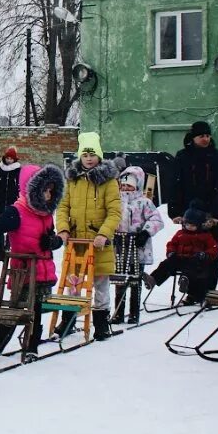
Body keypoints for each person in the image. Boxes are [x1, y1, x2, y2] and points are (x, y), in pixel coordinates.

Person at [0, 163, 64, 357]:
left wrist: (53, 241)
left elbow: (49, 237)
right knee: (16, 309)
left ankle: (31, 346)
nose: (48, 195)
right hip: (24, 271)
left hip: (43, 269)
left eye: (51, 191)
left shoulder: (46, 214)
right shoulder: (17, 211)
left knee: (36, 309)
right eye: (45, 190)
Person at [55, 132, 121, 340]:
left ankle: (101, 323)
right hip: (76, 243)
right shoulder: (72, 180)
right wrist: (63, 229)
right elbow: (63, 207)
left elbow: (114, 212)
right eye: (85, 155)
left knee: (100, 284)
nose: (89, 159)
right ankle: (68, 320)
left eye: (92, 155)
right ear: (80, 157)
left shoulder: (108, 182)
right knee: (73, 283)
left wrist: (104, 233)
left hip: (98, 243)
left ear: (99, 156)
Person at [169, 121, 218, 291]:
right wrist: (174, 211)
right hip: (189, 213)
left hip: (212, 213)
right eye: (201, 136)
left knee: (210, 252)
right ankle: (192, 289)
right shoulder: (182, 157)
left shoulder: (217, 157)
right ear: (193, 137)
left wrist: (217, 214)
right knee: (189, 250)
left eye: (207, 135)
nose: (205, 139)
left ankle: (208, 290)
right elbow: (175, 185)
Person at [112, 166, 164, 325]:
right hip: (120, 245)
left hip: (137, 246)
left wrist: (146, 233)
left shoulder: (144, 202)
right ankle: (118, 312)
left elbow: (157, 220)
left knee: (135, 279)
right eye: (124, 185)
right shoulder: (115, 201)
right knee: (120, 280)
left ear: (138, 185)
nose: (126, 188)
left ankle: (134, 312)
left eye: (130, 185)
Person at [143, 202, 218, 303]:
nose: (189, 227)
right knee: (167, 264)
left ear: (200, 225)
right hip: (180, 259)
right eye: (187, 224)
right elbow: (172, 244)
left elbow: (214, 248)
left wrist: (205, 254)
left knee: (192, 267)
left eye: (193, 225)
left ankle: (185, 281)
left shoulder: (205, 236)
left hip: (196, 261)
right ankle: (153, 279)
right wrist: (171, 252)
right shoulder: (180, 234)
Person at [0, 147, 21, 217]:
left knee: (11, 222)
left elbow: (20, 184)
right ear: (5, 158)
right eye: (7, 158)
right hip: (0, 201)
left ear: (14, 159)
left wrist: (17, 196)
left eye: (11, 159)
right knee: (0, 221)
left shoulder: (17, 171)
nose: (9, 160)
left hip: (13, 201)